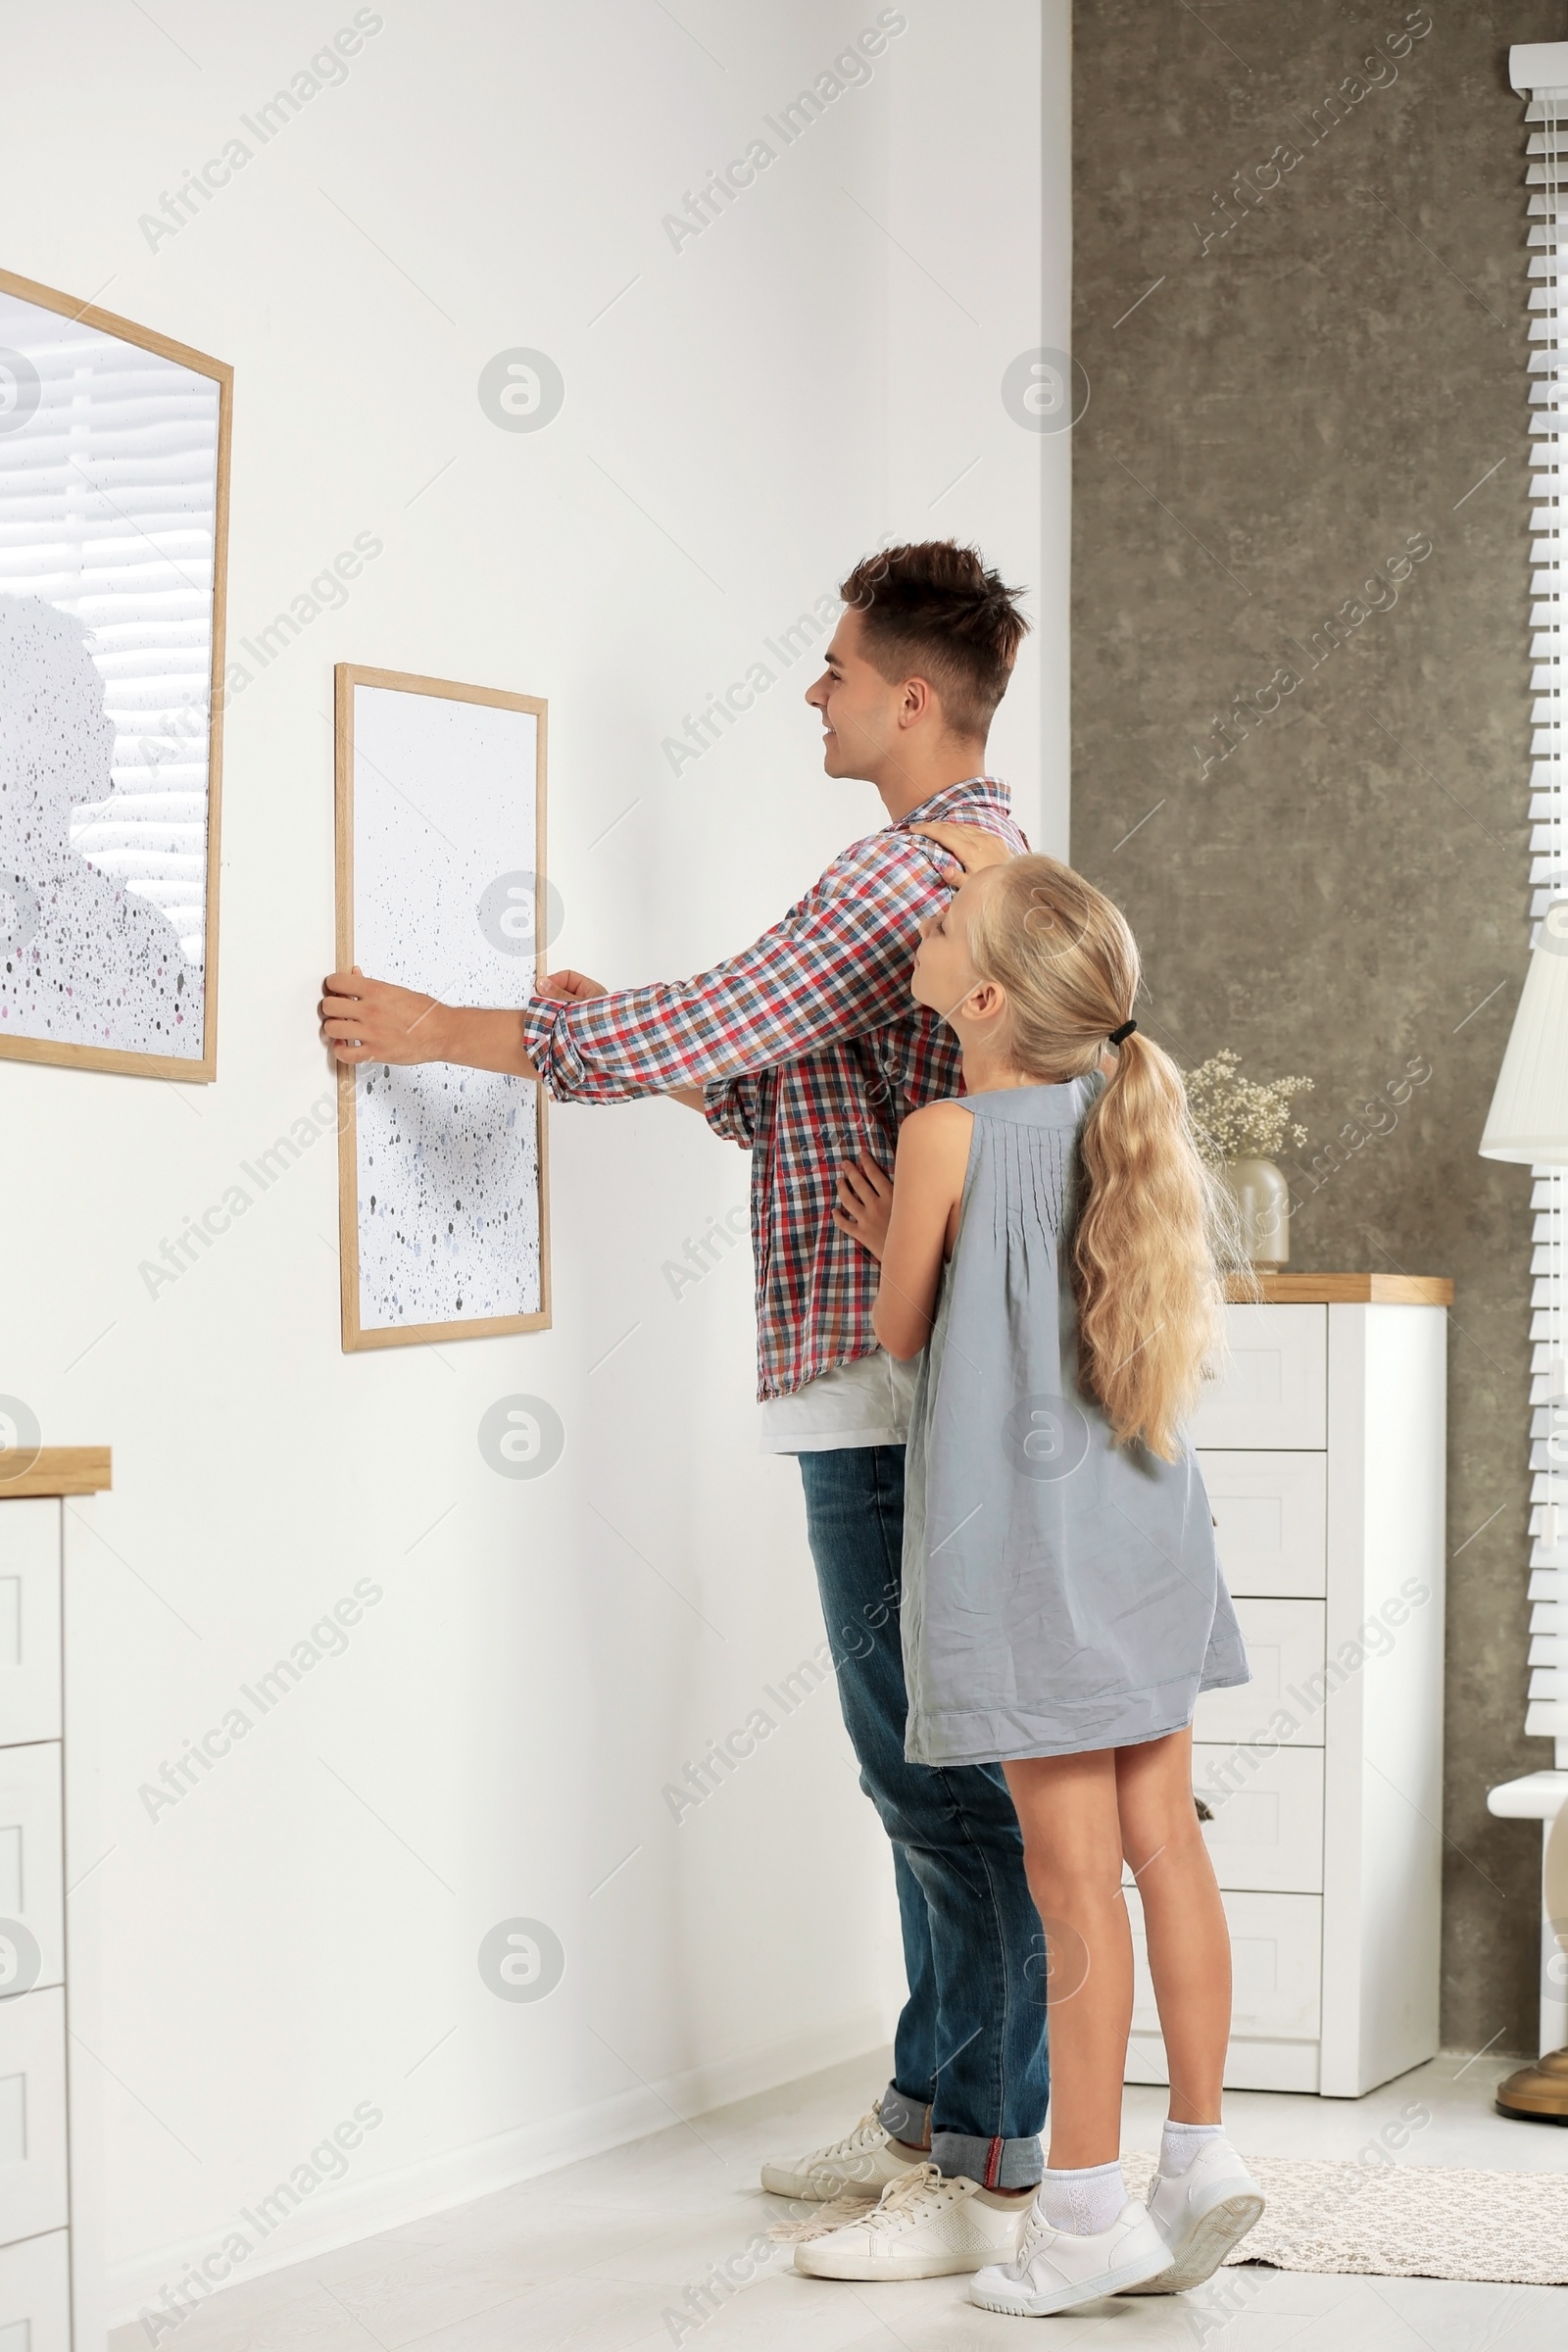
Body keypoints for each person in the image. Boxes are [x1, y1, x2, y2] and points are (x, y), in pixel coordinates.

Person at [319, 542, 1054, 2280]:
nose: (812, 690)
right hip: (885, 1370)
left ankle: (989, 2172)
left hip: (891, 1378)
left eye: (834, 666)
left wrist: (444, 1025)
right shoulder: (961, 868)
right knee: (919, 1778)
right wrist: (643, 1038)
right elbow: (785, 1091)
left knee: (942, 1784)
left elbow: (719, 1021)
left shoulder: (902, 881)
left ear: (911, 697)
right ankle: (922, 2117)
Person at [823, 853, 1264, 2317]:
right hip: (1148, 1533)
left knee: (1069, 1884)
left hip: (1029, 1562)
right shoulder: (1124, 1117)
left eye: (945, 930)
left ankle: (1080, 2217)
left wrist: (891, 1224)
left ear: (990, 997)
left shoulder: (946, 1132)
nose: (927, 939)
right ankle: (1194, 2158)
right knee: (1165, 1850)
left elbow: (901, 1335)